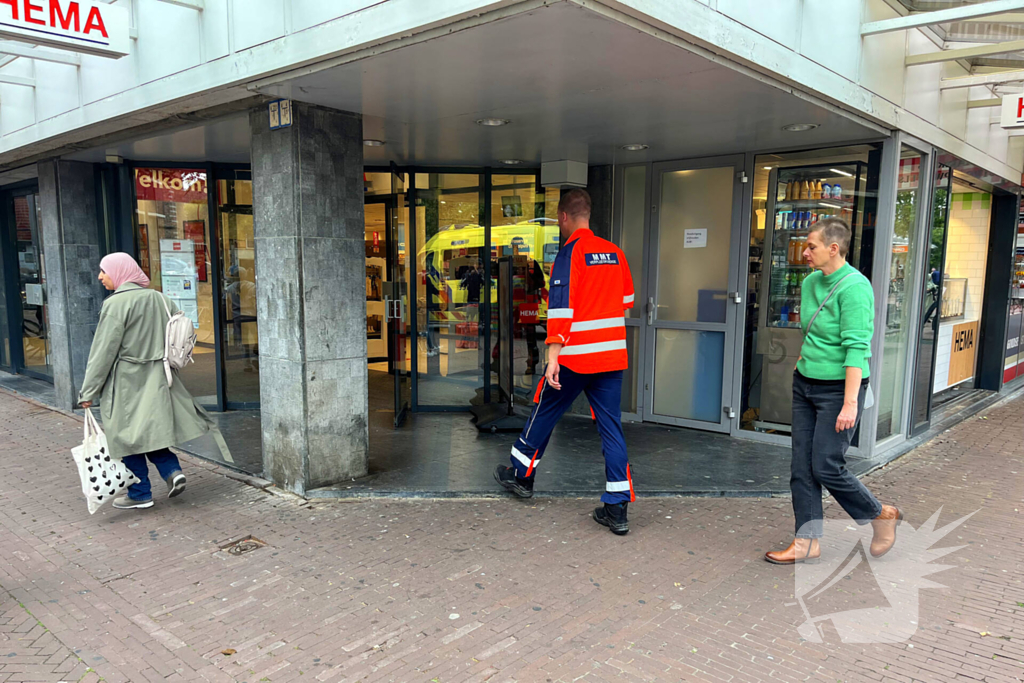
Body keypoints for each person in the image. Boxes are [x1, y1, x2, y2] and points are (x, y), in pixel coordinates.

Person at [494, 189, 637, 535]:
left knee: (544, 410)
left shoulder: (568, 255)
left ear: (563, 217)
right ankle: (617, 508)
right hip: (612, 357)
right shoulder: (615, 253)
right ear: (589, 214)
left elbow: (560, 312)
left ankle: (520, 475)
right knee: (611, 429)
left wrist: (553, 357)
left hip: (575, 358)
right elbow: (627, 301)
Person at [765, 218, 902, 565]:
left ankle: (880, 514)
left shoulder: (855, 288)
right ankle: (807, 541)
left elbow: (857, 347)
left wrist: (850, 403)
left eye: (811, 246)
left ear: (833, 248)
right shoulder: (812, 282)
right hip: (805, 383)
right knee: (801, 467)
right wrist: (802, 361)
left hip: (839, 390)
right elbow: (813, 331)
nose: (805, 251)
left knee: (826, 465)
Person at [78, 253, 213, 510]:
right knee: (151, 430)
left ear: (118, 272)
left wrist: (88, 391)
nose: (100, 276)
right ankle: (172, 470)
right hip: (160, 375)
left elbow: (103, 352)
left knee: (127, 436)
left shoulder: (115, 304)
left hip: (126, 381)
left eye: (104, 271)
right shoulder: (160, 298)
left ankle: (140, 493)